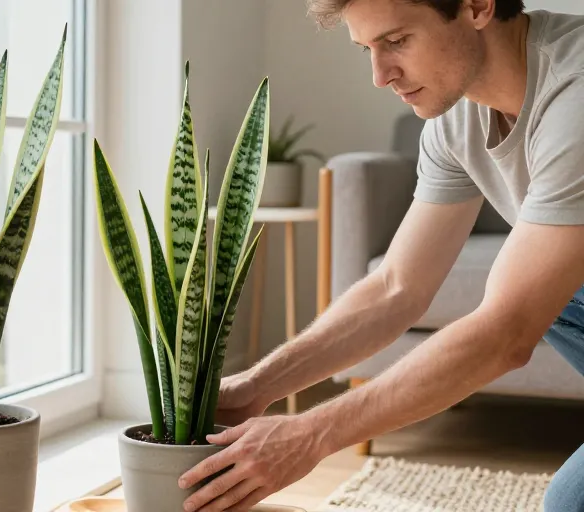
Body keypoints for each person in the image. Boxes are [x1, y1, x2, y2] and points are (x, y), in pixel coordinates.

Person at [175, 1, 584, 511]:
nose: (379, 75)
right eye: (367, 49)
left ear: (477, 6)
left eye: (397, 42)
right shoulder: (456, 117)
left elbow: (506, 333)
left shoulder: (576, 94)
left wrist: (311, 434)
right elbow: (396, 287)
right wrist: (258, 386)